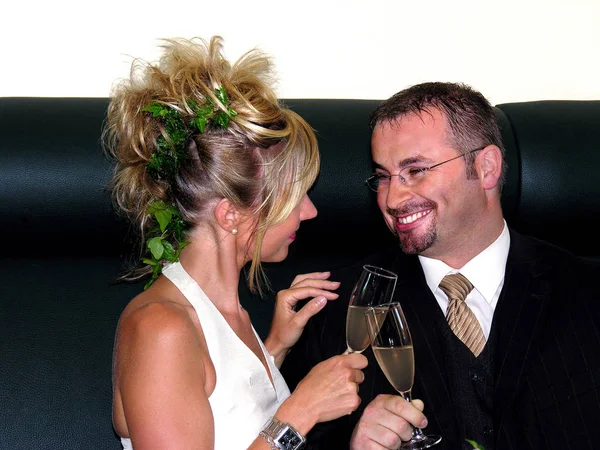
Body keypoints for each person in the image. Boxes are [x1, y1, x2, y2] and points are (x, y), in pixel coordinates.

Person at [281, 82, 600, 449]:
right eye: (383, 177)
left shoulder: (589, 292)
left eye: (415, 170)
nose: (393, 197)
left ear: (486, 167)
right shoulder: (335, 311)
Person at [104, 36, 367, 450]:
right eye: (295, 197)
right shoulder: (162, 329)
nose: (310, 212)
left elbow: (226, 417)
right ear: (230, 215)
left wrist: (274, 348)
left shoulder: (230, 315)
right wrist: (301, 411)